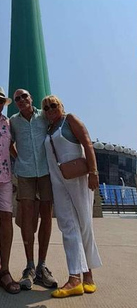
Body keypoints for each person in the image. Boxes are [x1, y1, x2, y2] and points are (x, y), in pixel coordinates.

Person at [40, 95, 102, 298]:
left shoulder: (70, 119)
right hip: (58, 181)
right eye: (46, 107)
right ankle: (75, 277)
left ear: (61, 105)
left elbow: (87, 143)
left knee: (85, 224)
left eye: (53, 105)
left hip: (77, 177)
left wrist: (93, 172)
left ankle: (88, 275)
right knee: (68, 226)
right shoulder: (48, 130)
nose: (50, 109)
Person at [9, 89, 57, 290]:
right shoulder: (13, 121)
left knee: (46, 216)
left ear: (32, 98)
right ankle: (29, 266)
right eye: (17, 98)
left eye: (24, 96)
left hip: (46, 171)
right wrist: (19, 158)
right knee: (27, 218)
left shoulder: (44, 116)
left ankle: (42, 267)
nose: (21, 100)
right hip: (25, 173)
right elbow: (9, 143)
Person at [0, 88, 19, 294]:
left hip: (5, 178)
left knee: (6, 220)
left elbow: (11, 147)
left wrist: (21, 163)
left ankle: (4, 270)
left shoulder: (7, 122)